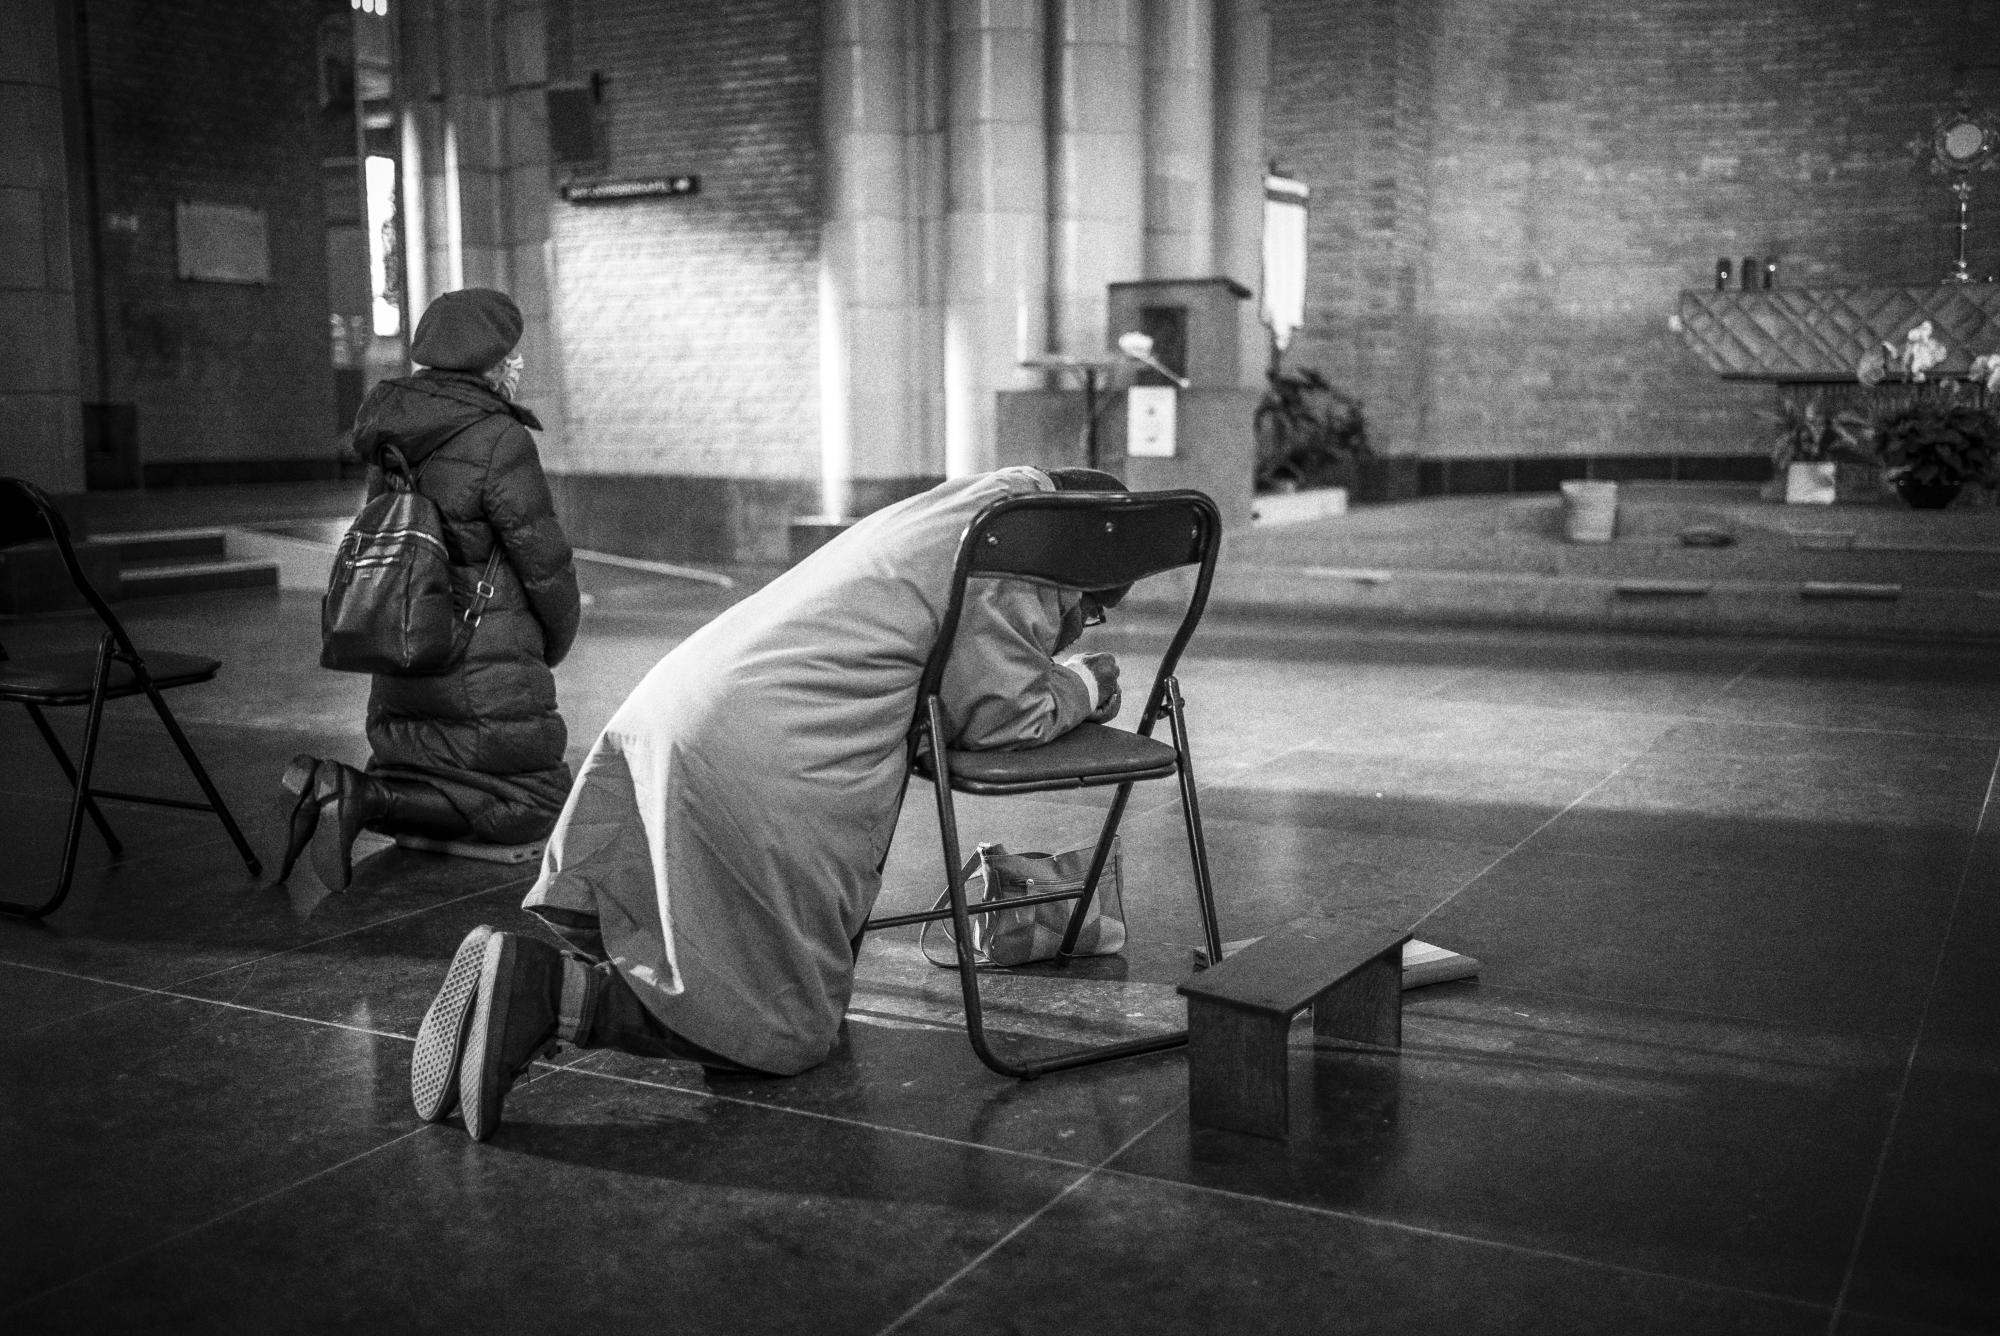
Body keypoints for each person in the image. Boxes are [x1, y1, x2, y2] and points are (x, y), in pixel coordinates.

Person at [410, 465, 1128, 1140]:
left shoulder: (955, 516)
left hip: (675, 713)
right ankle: (541, 994)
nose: (1075, 622)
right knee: (778, 1035)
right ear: (1082, 570)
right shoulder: (1013, 560)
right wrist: (1084, 686)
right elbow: (998, 717)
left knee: (722, 954)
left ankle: (522, 1000)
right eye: (1088, 609)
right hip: (763, 754)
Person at [277, 288, 581, 893]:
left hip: (405, 639)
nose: (516, 368)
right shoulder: (500, 438)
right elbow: (542, 557)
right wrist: (556, 634)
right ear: (491, 364)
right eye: (511, 358)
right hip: (482, 650)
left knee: (424, 764)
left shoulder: (392, 428)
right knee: (533, 799)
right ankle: (359, 795)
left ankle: (348, 789)